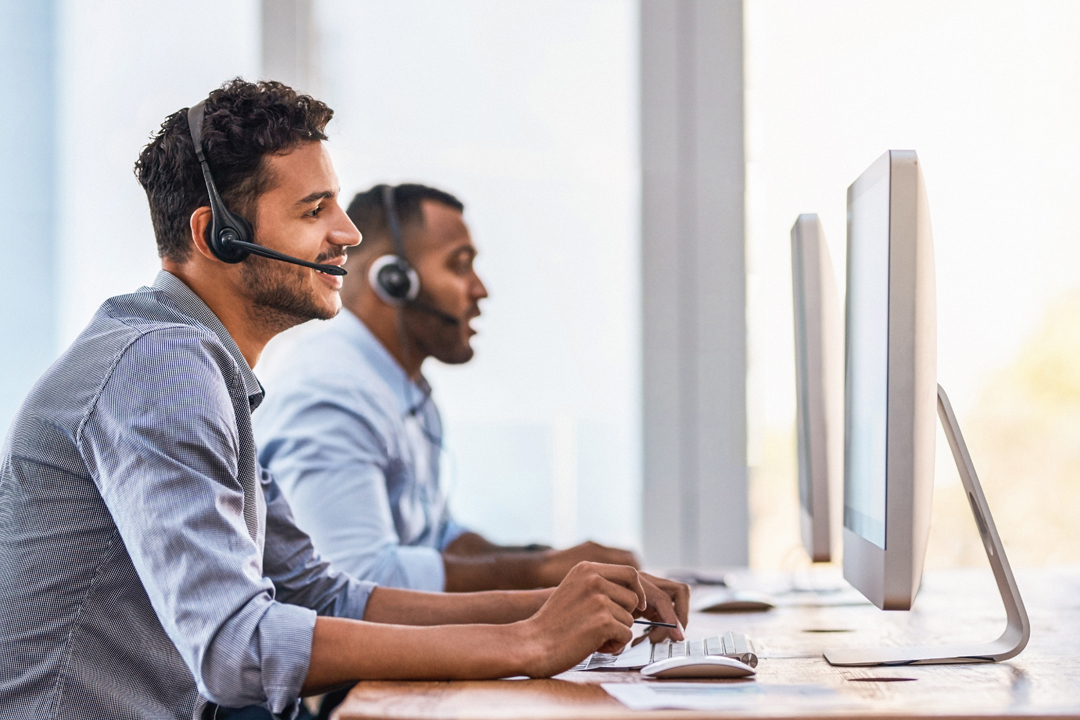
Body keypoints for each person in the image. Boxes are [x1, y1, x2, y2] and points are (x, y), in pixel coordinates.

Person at [0, 79, 688, 720]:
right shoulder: (158, 364)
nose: (349, 235)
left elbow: (320, 593)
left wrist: (564, 608)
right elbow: (236, 648)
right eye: (313, 210)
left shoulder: (199, 368)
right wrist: (528, 645)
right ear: (218, 235)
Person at [253, 183, 640, 594]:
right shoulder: (329, 394)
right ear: (393, 281)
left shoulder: (402, 388)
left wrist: (550, 560)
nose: (480, 290)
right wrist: (540, 573)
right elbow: (358, 577)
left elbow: (436, 538)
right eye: (459, 266)